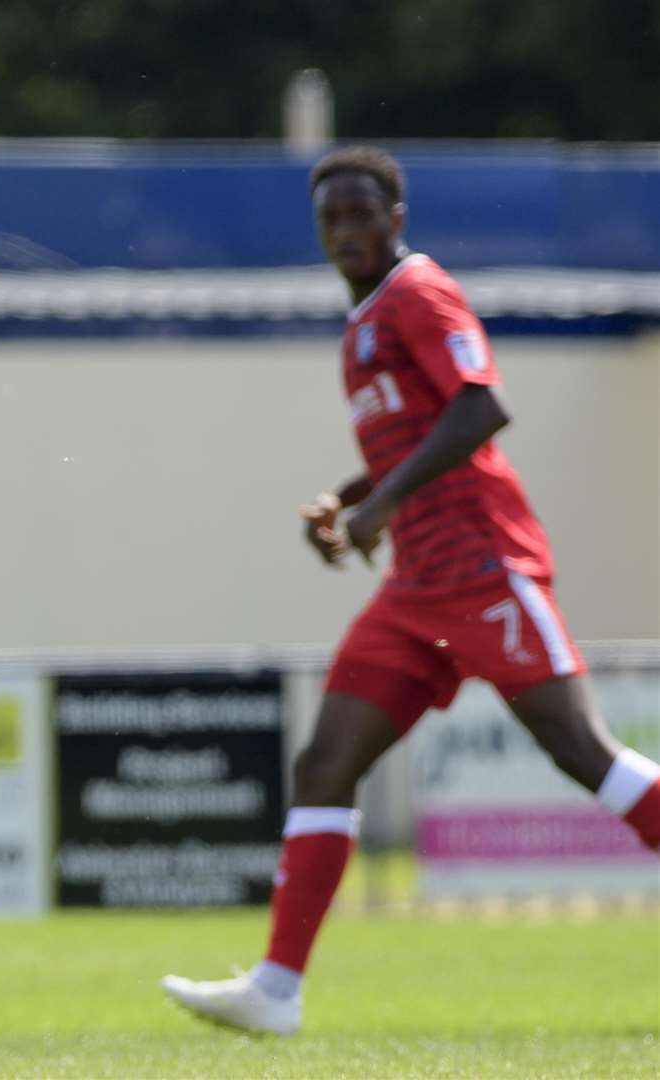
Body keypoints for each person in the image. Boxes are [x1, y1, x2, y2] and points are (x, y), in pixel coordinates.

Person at [160, 145, 660, 1036]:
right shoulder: (361, 322)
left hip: (481, 565)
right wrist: (352, 498)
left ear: (397, 218)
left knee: (583, 753)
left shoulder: (420, 291)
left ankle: (277, 983)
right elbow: (413, 436)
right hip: (414, 590)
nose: (346, 231)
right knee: (326, 764)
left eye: (363, 215)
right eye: (331, 220)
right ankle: (277, 988)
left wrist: (377, 508)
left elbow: (481, 406)